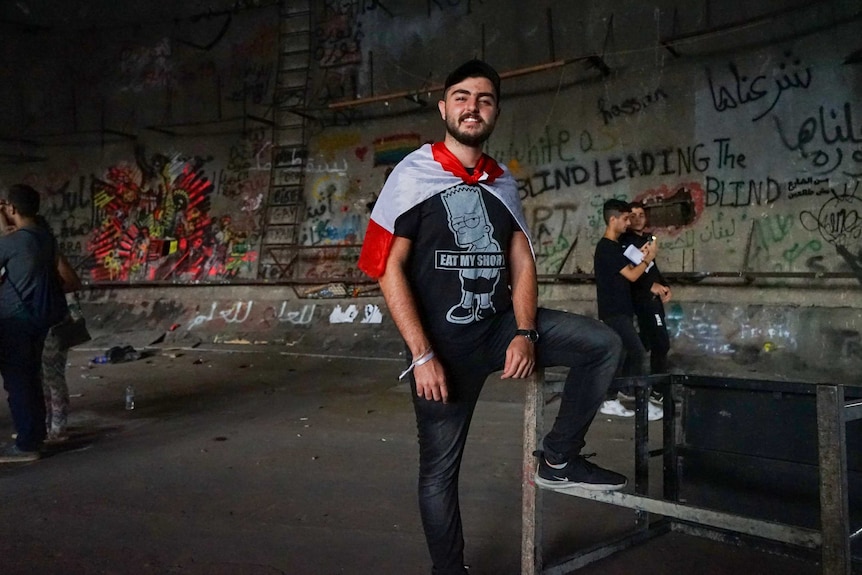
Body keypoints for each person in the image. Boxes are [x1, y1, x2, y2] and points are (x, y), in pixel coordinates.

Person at [358, 59, 626, 575]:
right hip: (442, 348)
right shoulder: (412, 176)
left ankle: (560, 455)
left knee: (603, 344)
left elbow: (521, 258)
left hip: (501, 326)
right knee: (439, 472)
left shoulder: (502, 182)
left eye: (483, 99)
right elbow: (386, 268)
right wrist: (422, 356)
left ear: (495, 111)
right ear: (444, 108)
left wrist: (525, 332)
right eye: (461, 96)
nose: (471, 107)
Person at [0, 184, 67, 462]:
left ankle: (26, 445)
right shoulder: (45, 238)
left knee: (18, 383)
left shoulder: (12, 242)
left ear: (12, 209)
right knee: (30, 379)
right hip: (39, 319)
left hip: (14, 320)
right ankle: (34, 436)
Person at [593, 199, 662, 421]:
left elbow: (632, 268)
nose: (628, 223)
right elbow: (633, 275)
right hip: (614, 311)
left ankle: (610, 399)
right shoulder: (606, 247)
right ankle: (642, 404)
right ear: (612, 219)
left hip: (622, 310)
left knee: (620, 355)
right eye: (624, 218)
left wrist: (642, 255)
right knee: (639, 352)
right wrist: (649, 258)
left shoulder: (615, 247)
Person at [37, 215, 83, 442]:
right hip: (38, 323)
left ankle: (58, 428)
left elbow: (73, 282)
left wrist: (48, 291)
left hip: (54, 324)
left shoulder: (50, 252)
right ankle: (46, 426)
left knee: (53, 377)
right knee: (41, 378)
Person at [620, 202, 671, 377]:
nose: (637, 219)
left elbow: (652, 268)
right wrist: (650, 286)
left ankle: (627, 384)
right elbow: (631, 273)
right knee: (661, 343)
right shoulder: (625, 243)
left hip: (653, 299)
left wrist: (665, 286)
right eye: (632, 216)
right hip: (642, 300)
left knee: (645, 342)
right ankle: (658, 391)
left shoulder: (647, 240)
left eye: (641, 215)